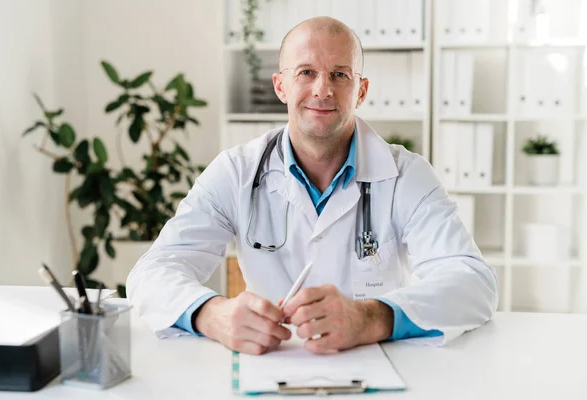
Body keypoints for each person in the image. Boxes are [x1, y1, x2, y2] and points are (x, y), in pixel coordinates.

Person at [127, 17, 498, 355]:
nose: (323, 89)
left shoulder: (407, 176)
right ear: (280, 86)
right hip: (271, 360)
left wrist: (369, 319)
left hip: (375, 360)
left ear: (361, 90)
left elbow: (473, 283)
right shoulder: (236, 172)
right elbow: (152, 272)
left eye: (340, 75)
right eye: (306, 72)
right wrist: (213, 314)